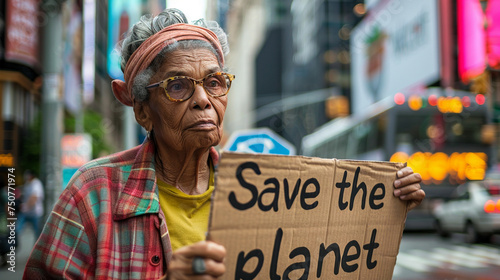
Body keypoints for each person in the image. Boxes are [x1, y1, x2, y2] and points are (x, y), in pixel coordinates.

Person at [24, 8, 425, 280]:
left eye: (215, 83)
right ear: (143, 111)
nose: (203, 99)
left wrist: (383, 201)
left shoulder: (271, 189)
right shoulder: (93, 194)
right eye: (178, 85)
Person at [16, 170, 44, 243]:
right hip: (26, 212)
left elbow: (34, 198)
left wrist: (26, 207)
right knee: (17, 229)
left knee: (37, 233)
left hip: (35, 213)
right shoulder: (28, 184)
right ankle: (12, 245)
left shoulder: (36, 183)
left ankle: (38, 250)